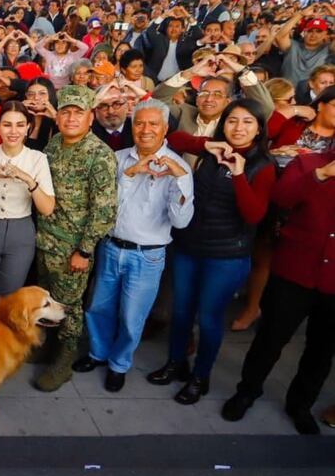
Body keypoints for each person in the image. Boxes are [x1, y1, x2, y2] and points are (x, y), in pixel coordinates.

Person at [151, 99, 277, 404]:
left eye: (248, 122)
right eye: (233, 121)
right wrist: (207, 145)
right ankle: (175, 362)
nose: (239, 128)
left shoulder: (263, 166)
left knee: (208, 318)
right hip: (190, 246)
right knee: (181, 312)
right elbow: (173, 139)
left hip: (227, 256)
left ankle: (200, 376)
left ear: (259, 128)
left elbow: (254, 215)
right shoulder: (214, 148)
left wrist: (237, 174)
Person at [75, 99, 194, 391]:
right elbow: (107, 206)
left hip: (148, 256)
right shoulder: (116, 158)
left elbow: (181, 222)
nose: (145, 130)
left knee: (132, 317)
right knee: (98, 307)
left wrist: (179, 182)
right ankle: (98, 353)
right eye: (139, 123)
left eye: (153, 124)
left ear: (165, 128)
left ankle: (119, 364)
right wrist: (130, 174)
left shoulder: (179, 168)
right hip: (111, 246)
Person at [221, 149, 335, 434]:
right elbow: (282, 198)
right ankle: (247, 390)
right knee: (270, 339)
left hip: (332, 282)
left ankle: (300, 404)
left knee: (321, 350)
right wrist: (321, 175)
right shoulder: (309, 163)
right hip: (294, 272)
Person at [34, 85, 118, 392]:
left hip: (72, 248)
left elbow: (105, 211)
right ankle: (49, 346)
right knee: (46, 299)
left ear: (91, 117)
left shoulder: (100, 155)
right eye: (66, 111)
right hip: (45, 241)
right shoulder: (54, 145)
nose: (71, 118)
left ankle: (64, 360)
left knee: (68, 306)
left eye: (78, 112)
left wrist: (84, 250)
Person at [0, 101, 55, 301]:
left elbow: (47, 208)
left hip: (21, 231)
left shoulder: (37, 158)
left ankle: (3, 333)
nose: (13, 131)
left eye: (19, 125)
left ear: (28, 128)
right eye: (7, 124)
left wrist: (27, 179)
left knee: (9, 299)